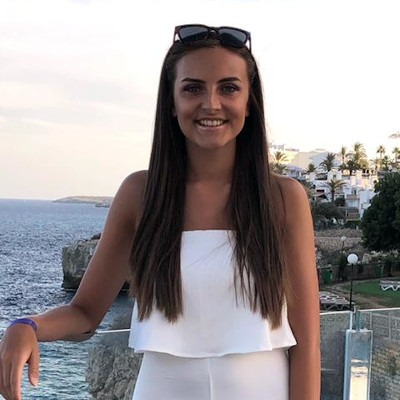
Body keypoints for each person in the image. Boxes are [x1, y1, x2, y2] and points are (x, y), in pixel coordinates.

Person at [0, 24, 320, 400]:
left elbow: (307, 344)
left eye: (229, 88)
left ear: (249, 103)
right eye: (193, 88)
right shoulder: (141, 194)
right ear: (171, 101)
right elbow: (85, 313)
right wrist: (26, 325)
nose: (211, 103)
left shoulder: (282, 198)